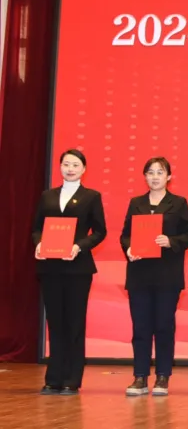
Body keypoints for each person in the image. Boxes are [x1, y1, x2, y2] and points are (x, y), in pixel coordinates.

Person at [120, 157, 188, 396]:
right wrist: (129, 249)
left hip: (167, 275)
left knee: (164, 325)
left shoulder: (178, 203)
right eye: (150, 172)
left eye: (160, 172)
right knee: (140, 327)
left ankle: (163, 375)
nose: (155, 177)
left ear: (169, 177)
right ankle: (140, 376)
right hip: (139, 274)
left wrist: (171, 241)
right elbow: (125, 235)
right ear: (145, 176)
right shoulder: (136, 203)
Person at [33, 149, 107, 395]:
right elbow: (36, 228)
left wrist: (79, 246)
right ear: (60, 167)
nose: (70, 169)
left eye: (75, 165)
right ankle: (53, 377)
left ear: (84, 169)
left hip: (78, 268)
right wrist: (39, 244)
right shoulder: (47, 196)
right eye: (66, 164)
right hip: (50, 267)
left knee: (74, 321)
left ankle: (72, 379)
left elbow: (100, 231)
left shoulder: (91, 196)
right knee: (55, 321)